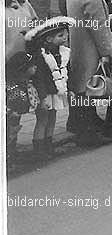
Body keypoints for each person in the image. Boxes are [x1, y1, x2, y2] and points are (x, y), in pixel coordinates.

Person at [61, 0, 112, 146]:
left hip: (78, 50)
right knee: (91, 90)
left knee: (81, 91)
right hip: (92, 51)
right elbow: (99, 29)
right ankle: (89, 136)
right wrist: (105, 54)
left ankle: (83, 132)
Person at [25, 16, 74, 158]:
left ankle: (48, 146)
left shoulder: (64, 53)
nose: (65, 38)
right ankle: (39, 150)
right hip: (45, 94)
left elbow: (68, 72)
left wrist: (69, 90)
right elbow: (38, 78)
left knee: (53, 117)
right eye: (60, 35)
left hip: (57, 93)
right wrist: (42, 97)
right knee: (42, 120)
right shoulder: (40, 56)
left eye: (66, 34)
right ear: (48, 39)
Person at [5, 52, 39, 166]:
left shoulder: (24, 82)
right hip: (10, 114)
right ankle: (8, 157)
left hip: (16, 114)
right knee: (8, 134)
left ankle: (11, 153)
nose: (36, 67)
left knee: (13, 133)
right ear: (23, 69)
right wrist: (11, 112)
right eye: (32, 65)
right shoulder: (12, 87)